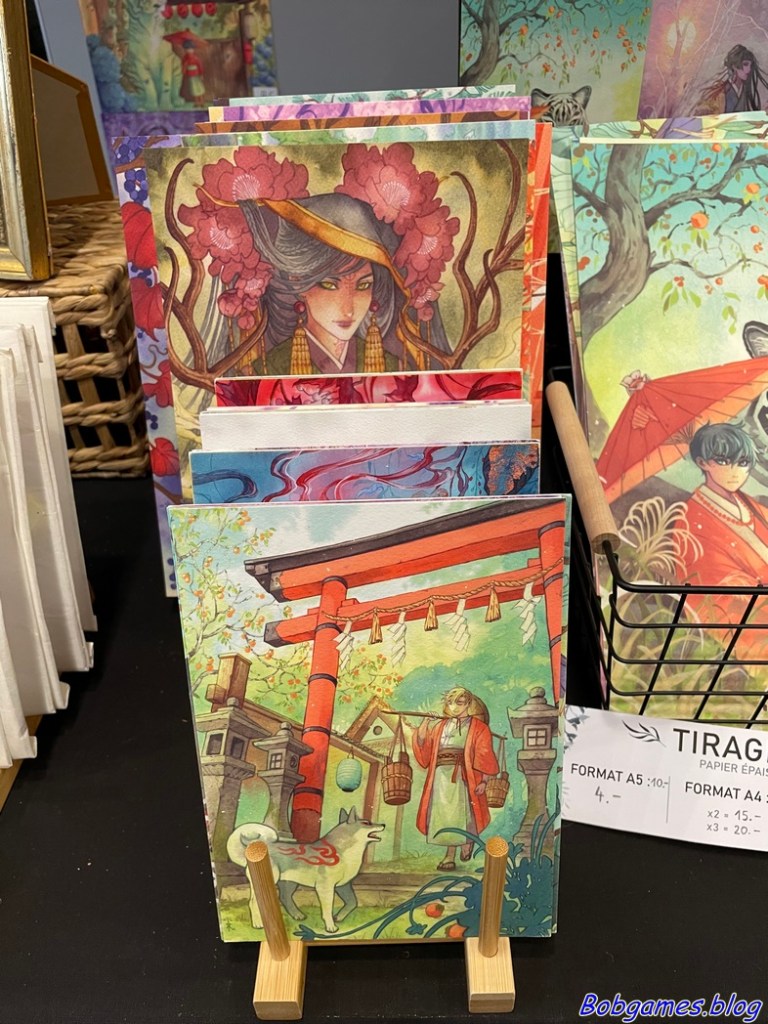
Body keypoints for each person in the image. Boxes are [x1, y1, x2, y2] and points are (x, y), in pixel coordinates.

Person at [238, 193, 449, 375]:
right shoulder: (264, 371)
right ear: (298, 281)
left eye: (363, 286)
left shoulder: (395, 368)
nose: (348, 309)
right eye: (330, 285)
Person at [675, 423, 768, 666]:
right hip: (741, 617)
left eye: (743, 462)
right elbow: (715, 586)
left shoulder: (751, 506)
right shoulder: (691, 519)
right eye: (724, 461)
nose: (736, 471)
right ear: (702, 462)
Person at [411, 687, 499, 871]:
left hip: (464, 777)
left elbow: (485, 755)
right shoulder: (440, 726)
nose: (454, 707)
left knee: (463, 815)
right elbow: (425, 752)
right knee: (444, 816)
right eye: (450, 703)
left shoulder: (478, 727)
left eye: (460, 702)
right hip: (440, 778)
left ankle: (466, 842)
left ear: (468, 704)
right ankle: (450, 855)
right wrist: (425, 724)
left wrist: (484, 781)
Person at [701, 45, 768, 114]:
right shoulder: (721, 92)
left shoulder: (747, 90)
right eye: (745, 64)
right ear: (734, 66)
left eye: (750, 65)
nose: (749, 69)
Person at [180, 39, 206, 109]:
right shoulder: (185, 58)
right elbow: (183, 66)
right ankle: (197, 102)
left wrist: (201, 74)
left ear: (193, 49)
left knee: (199, 88)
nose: (189, 50)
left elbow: (200, 66)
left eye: (191, 49)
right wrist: (184, 70)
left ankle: (202, 101)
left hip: (196, 75)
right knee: (193, 89)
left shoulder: (195, 58)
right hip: (190, 75)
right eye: (187, 49)